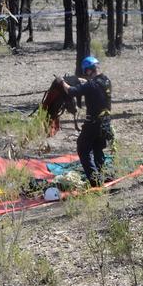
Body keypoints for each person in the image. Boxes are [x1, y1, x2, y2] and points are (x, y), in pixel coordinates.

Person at [59, 56, 113, 187]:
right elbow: (92, 86)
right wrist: (82, 81)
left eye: (86, 72)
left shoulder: (91, 85)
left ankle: (95, 181)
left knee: (83, 148)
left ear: (89, 70)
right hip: (105, 123)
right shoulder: (106, 80)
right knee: (98, 149)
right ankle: (103, 175)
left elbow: (72, 91)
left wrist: (61, 82)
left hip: (93, 124)